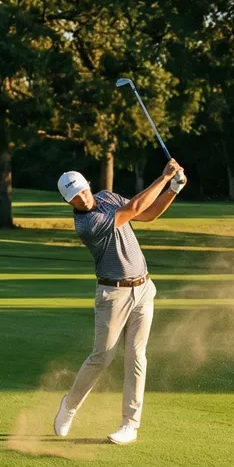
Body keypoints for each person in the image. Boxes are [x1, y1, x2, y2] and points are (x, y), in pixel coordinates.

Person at [52, 158, 186, 444]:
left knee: (137, 356)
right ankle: (70, 406)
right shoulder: (86, 224)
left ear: (88, 185)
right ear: (68, 202)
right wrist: (164, 177)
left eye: (82, 190)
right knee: (102, 357)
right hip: (113, 295)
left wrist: (173, 190)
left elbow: (147, 214)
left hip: (143, 289)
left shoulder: (106, 197)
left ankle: (130, 425)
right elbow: (132, 209)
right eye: (74, 197)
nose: (81, 198)